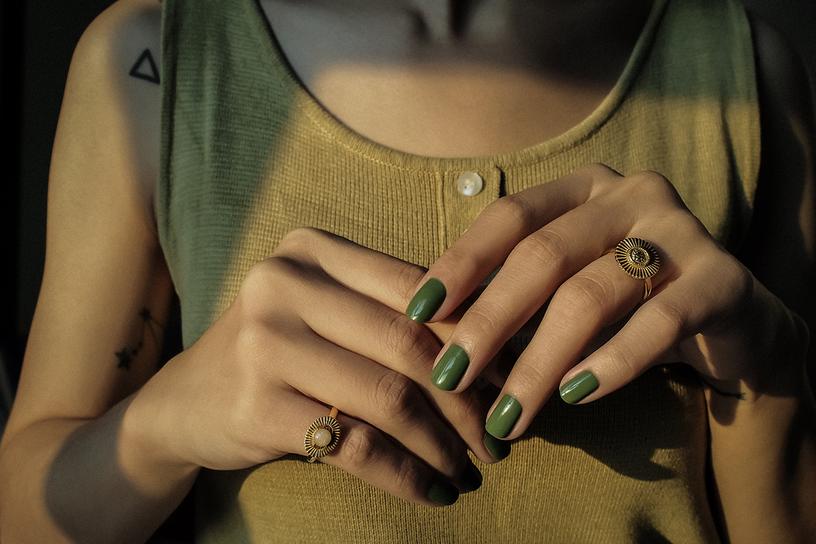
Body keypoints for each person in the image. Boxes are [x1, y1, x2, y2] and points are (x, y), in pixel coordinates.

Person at [0, 0, 814, 541]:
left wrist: (765, 360)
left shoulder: (746, 73)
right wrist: (163, 425)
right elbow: (20, 511)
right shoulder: (150, 61)